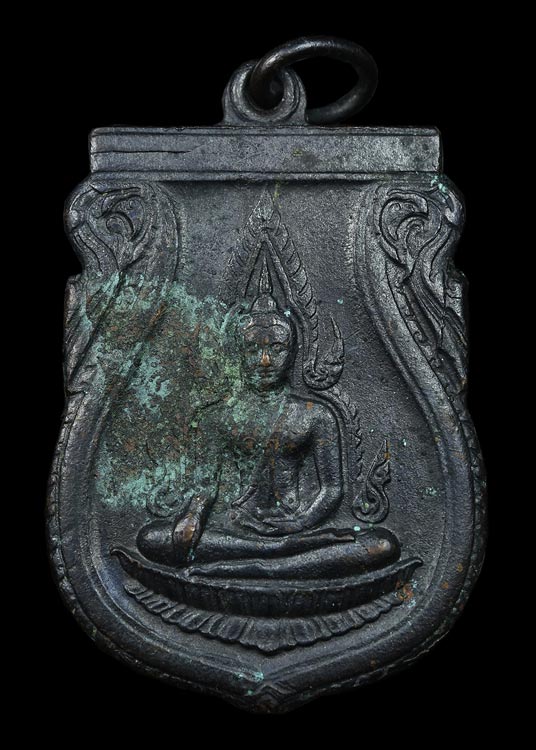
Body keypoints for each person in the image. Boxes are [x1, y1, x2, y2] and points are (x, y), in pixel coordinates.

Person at [137, 261, 400, 579]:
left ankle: (256, 561)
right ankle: (278, 559)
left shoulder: (315, 415)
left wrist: (300, 522)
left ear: (293, 352)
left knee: (381, 544)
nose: (264, 361)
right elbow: (205, 487)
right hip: (235, 526)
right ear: (237, 352)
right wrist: (193, 515)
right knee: (152, 539)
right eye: (253, 349)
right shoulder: (217, 415)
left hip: (297, 526)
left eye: (276, 349)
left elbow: (332, 489)